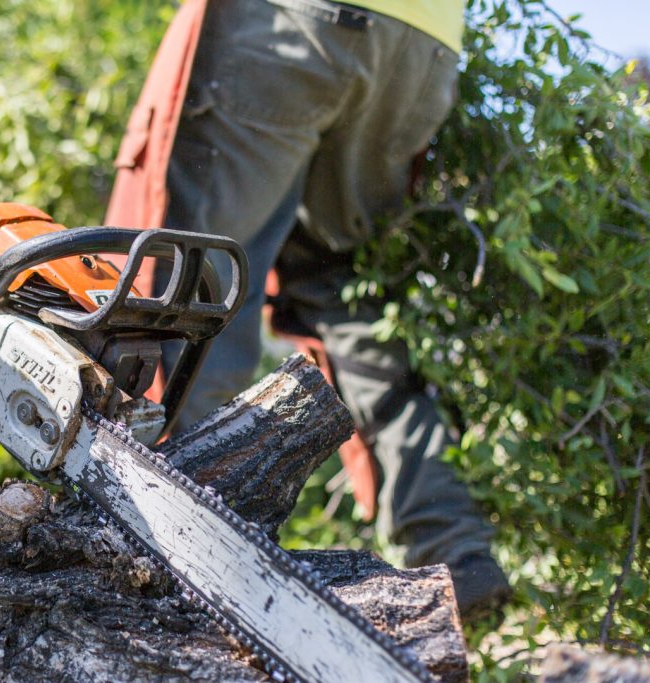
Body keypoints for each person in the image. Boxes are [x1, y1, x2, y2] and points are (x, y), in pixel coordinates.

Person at [108, 0, 511, 622]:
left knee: (198, 276)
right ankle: (452, 547)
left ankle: (180, 550)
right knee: (342, 287)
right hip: (422, 47)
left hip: (291, 21)